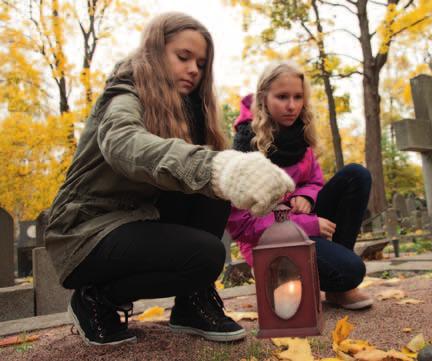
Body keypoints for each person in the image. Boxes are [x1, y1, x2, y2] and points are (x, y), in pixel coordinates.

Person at [45, 13, 295, 346]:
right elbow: (124, 143)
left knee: (212, 186)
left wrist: (238, 173)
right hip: (85, 232)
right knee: (207, 252)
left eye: (201, 63)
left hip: (137, 218)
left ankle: (192, 304)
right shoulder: (122, 95)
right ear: (154, 53)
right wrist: (216, 168)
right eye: (183, 57)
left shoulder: (189, 111)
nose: (194, 69)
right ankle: (95, 298)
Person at [227, 62, 374, 310]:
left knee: (356, 175)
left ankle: (338, 289)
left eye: (298, 97)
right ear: (263, 98)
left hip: (304, 223)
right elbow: (244, 225)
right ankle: (327, 279)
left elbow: (315, 181)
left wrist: (308, 196)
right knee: (352, 270)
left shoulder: (300, 137)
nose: (292, 106)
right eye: (282, 97)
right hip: (270, 242)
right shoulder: (245, 148)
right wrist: (309, 223)